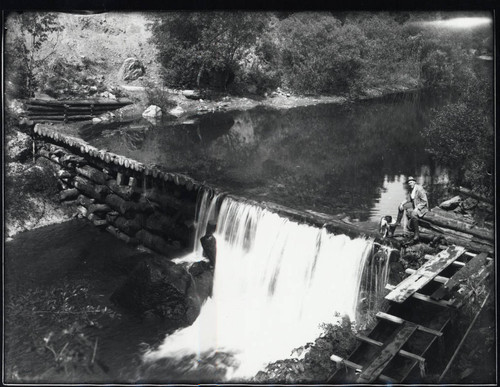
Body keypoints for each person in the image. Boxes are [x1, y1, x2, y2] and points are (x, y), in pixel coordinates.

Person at [395, 176, 428, 242]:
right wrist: (402, 204)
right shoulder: (411, 189)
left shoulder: (419, 189)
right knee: (401, 207)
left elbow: (424, 201)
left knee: (413, 214)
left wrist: (417, 208)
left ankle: (417, 234)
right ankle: (398, 222)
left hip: (422, 207)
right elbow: (408, 199)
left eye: (411, 182)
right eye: (409, 183)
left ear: (414, 182)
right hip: (414, 205)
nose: (410, 184)